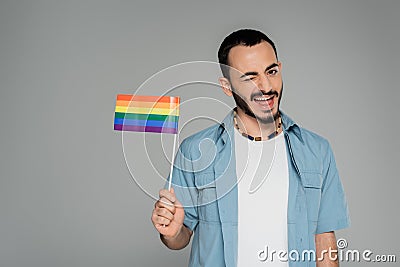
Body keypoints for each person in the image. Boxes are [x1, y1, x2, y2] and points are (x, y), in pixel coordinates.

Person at [151, 29, 350, 267]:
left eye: (271, 71)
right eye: (249, 77)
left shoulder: (317, 151)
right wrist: (172, 232)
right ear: (227, 86)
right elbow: (179, 238)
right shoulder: (195, 150)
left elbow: (324, 239)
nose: (266, 86)